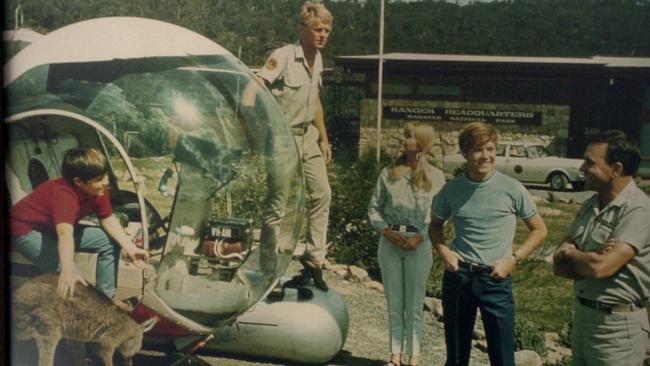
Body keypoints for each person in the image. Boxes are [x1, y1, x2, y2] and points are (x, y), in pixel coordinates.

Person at [428, 122, 547, 366]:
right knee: (457, 355)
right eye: (478, 150)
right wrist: (444, 252)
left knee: (502, 358)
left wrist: (514, 259)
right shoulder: (451, 189)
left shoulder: (512, 188)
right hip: (459, 276)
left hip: (496, 279)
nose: (486, 156)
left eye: (490, 149)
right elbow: (435, 225)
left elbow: (539, 230)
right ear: (464, 153)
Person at [253, 1, 333, 291]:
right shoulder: (284, 56)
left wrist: (324, 138)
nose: (323, 35)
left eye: (327, 30)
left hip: (308, 136)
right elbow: (256, 85)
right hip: (283, 139)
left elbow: (315, 102)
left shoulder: (318, 59)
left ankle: (313, 260)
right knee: (279, 204)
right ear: (303, 29)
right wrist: (257, 123)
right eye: (317, 29)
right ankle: (268, 269)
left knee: (322, 194)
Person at [552, 130, 650, 366]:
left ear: (615, 169)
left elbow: (600, 268)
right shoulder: (590, 205)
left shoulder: (639, 210)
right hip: (584, 319)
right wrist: (587, 256)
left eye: (590, 162)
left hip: (616, 328)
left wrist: (575, 255)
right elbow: (557, 263)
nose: (582, 168)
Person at [10, 147, 149, 299]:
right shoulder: (64, 195)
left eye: (105, 176)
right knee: (70, 274)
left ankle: (106, 300)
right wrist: (67, 268)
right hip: (24, 230)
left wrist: (130, 248)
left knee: (110, 241)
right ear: (78, 181)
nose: (106, 182)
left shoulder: (98, 189)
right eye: (99, 179)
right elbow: (65, 233)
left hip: (53, 228)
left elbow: (107, 218)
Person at [368, 123, 446, 366]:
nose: (404, 140)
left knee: (413, 303)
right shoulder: (389, 174)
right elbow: (374, 209)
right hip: (391, 242)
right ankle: (395, 355)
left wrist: (419, 237)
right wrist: (387, 232)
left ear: (421, 142)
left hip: (418, 244)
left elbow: (439, 215)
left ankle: (413, 356)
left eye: (409, 136)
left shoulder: (437, 177)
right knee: (394, 301)